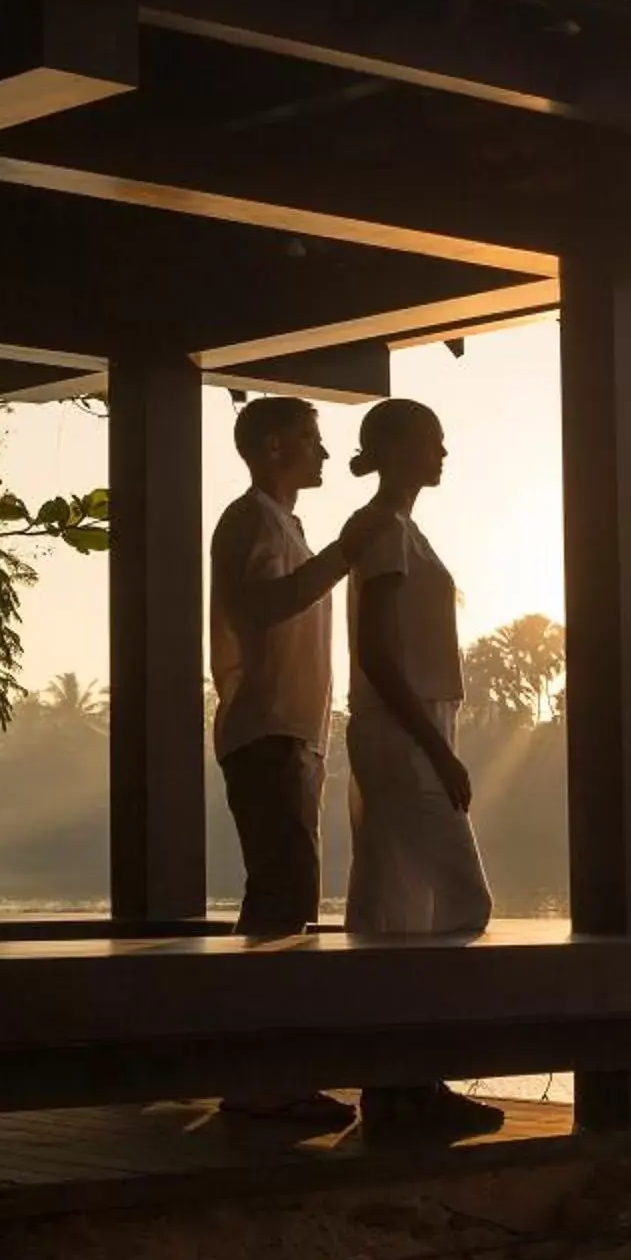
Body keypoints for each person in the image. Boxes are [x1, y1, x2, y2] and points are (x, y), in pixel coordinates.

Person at [340, 398, 505, 1141]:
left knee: (405, 911)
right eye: (434, 443)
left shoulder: (402, 529)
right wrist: (435, 749)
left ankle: (402, 1087)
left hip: (417, 725)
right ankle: (407, 1082)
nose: (445, 454)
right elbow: (376, 650)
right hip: (403, 731)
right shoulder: (382, 530)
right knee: (457, 903)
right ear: (401, 448)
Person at [207, 394, 361, 1129]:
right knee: (282, 903)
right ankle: (260, 1082)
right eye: (311, 439)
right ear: (275, 448)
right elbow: (262, 609)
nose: (325, 453)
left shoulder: (282, 524)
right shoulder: (252, 521)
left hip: (290, 733)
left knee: (285, 901)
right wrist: (344, 556)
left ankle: (263, 1074)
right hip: (266, 730)